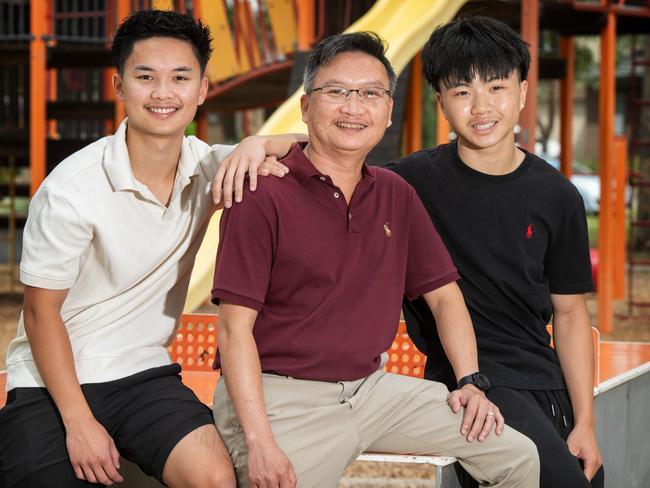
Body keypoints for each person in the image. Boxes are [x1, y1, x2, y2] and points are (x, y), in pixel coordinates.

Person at [210, 31, 540, 488]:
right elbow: (233, 329)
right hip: (280, 397)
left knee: (518, 457)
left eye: (370, 94)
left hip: (373, 389)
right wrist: (260, 441)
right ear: (306, 107)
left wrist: (471, 382)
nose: (353, 107)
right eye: (337, 92)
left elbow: (445, 298)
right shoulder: (262, 190)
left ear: (387, 112)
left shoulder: (395, 193)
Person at [0, 10, 302, 488]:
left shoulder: (212, 168)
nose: (163, 93)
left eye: (180, 78)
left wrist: (260, 141)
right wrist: (79, 424)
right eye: (146, 77)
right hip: (49, 378)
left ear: (202, 90)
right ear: (120, 86)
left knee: (214, 478)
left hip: (143, 372)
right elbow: (40, 315)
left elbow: (320, 142)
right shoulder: (71, 189)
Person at [390, 16, 604, 488]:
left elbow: (569, 315)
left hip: (543, 381)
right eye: (462, 91)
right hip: (467, 381)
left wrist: (585, 422)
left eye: (496, 87)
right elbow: (334, 155)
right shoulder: (409, 183)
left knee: (589, 477)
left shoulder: (557, 195)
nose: (481, 106)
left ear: (523, 93)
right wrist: (265, 144)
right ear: (441, 102)